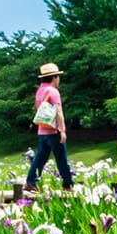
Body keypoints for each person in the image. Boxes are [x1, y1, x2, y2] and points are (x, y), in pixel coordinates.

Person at [25, 62, 73, 192]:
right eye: (57, 77)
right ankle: (67, 185)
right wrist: (62, 130)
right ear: (54, 77)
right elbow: (58, 112)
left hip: (42, 130)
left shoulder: (40, 91)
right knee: (61, 158)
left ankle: (30, 181)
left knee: (40, 158)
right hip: (53, 131)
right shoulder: (53, 91)